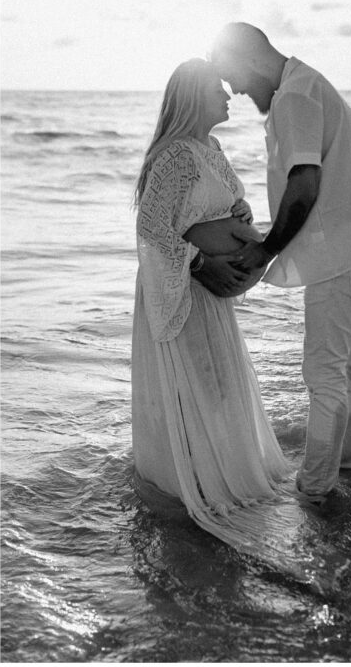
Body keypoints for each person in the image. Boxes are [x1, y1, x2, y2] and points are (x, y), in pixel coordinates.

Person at [209, 23, 351, 504]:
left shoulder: (293, 97)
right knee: (348, 365)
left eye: (237, 80)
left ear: (251, 60)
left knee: (323, 371)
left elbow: (305, 184)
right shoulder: (305, 83)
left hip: (341, 249)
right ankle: (346, 467)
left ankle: (315, 489)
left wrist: (265, 249)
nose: (240, 91)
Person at [131, 58, 294, 554]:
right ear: (195, 96)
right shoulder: (176, 155)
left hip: (210, 293)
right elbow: (152, 229)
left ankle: (211, 471)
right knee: (195, 386)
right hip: (188, 286)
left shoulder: (210, 147)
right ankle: (193, 484)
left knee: (217, 385)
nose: (228, 95)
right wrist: (203, 264)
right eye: (218, 89)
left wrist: (241, 217)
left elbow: (216, 206)